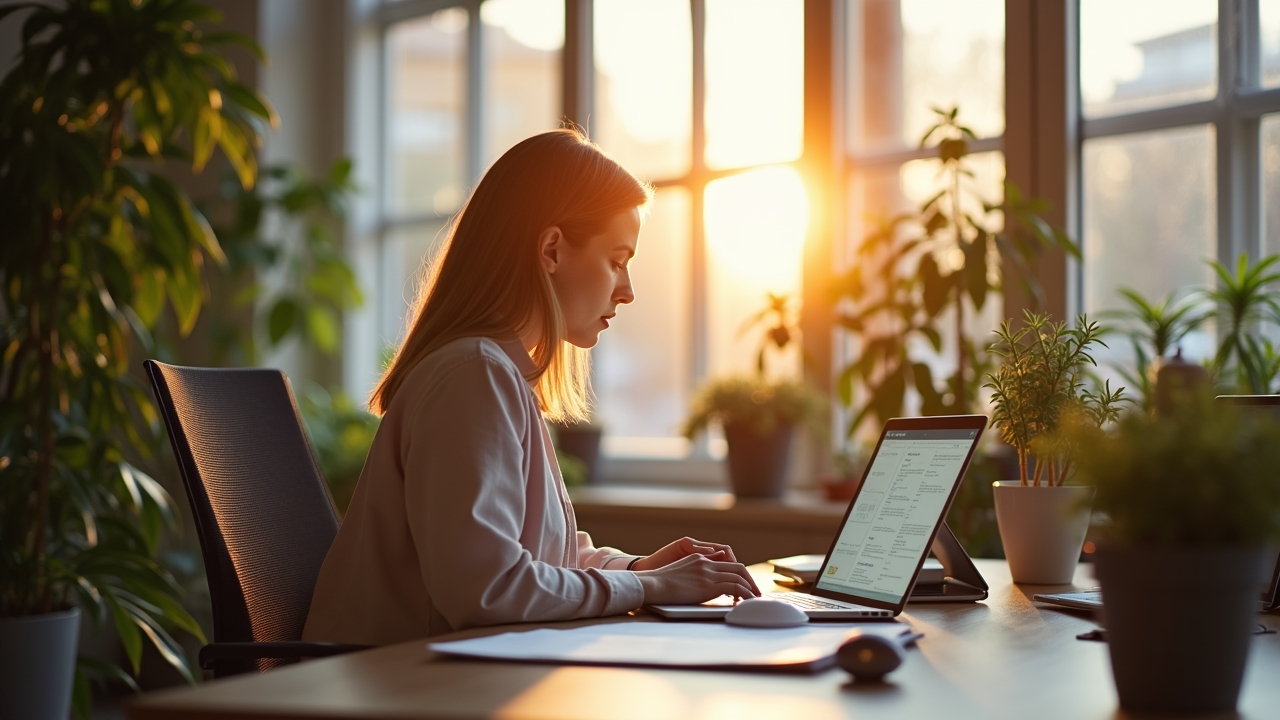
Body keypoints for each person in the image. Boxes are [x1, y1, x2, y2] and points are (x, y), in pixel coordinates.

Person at [303, 129, 760, 646]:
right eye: (616, 260)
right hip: (395, 689)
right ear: (551, 250)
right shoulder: (472, 375)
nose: (627, 290)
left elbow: (537, 557)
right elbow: (489, 589)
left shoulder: (494, 373)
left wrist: (638, 566)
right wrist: (647, 584)